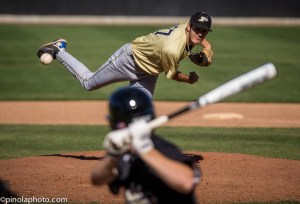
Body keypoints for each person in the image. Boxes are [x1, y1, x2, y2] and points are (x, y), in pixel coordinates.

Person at [37, 12, 214, 98]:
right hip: (129, 60)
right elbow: (173, 75)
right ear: (189, 26)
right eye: (197, 29)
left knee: (141, 113)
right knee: (89, 83)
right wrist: (189, 80)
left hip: (149, 72)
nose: (200, 33)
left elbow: (201, 41)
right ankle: (59, 50)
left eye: (204, 31)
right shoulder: (172, 49)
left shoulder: (188, 26)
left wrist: (207, 50)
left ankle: (133, 155)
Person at [91, 87, 201, 204]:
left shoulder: (161, 148)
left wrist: (144, 148)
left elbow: (187, 182)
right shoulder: (123, 152)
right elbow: (96, 179)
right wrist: (113, 157)